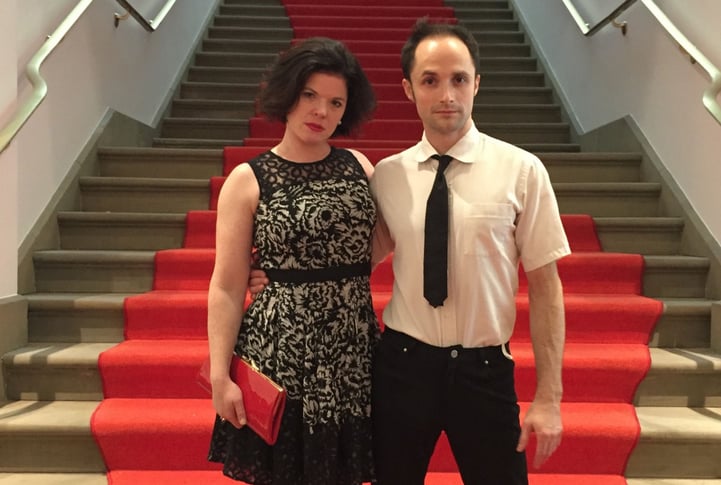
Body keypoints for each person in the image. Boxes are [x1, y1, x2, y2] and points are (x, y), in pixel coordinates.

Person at [250, 19, 569, 485]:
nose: (447, 95)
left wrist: (550, 397)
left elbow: (546, 288)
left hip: (484, 372)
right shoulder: (388, 177)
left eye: (459, 79)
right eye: (430, 80)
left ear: (476, 83)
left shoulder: (522, 171)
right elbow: (355, 256)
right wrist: (278, 275)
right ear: (408, 88)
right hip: (402, 367)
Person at [205, 37, 379, 485]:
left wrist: (326, 279)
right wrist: (221, 375)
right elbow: (225, 286)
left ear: (347, 110)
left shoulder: (360, 166)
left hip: (352, 349)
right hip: (280, 349)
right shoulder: (247, 180)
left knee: (343, 471)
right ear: (288, 95)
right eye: (310, 95)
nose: (321, 111)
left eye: (335, 102)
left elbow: (383, 241)